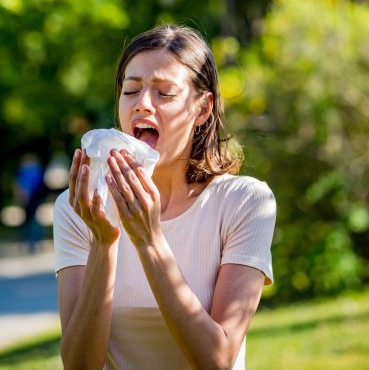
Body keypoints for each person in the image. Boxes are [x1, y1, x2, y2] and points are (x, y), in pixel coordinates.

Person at [53, 25, 276, 369]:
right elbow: (80, 366)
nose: (142, 104)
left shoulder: (245, 203)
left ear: (202, 109)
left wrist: (150, 240)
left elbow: (217, 361)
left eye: (164, 93)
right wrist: (103, 241)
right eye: (131, 90)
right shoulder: (80, 209)